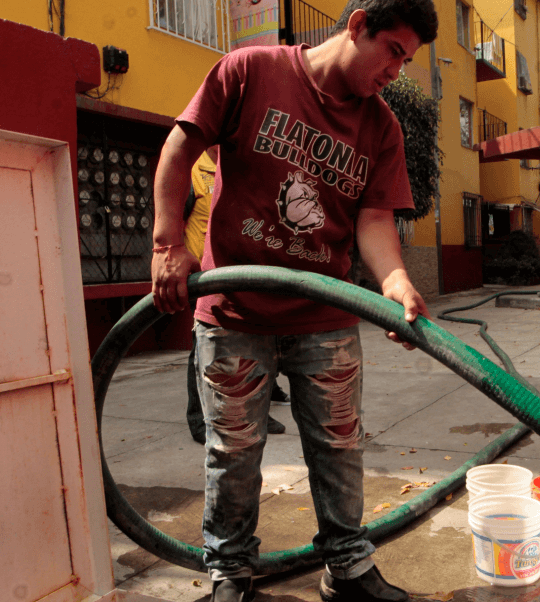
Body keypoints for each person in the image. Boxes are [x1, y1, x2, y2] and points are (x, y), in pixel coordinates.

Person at [149, 0, 438, 598]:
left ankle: (349, 568)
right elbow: (179, 148)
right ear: (358, 24)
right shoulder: (249, 70)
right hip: (233, 311)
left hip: (324, 317)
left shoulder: (381, 126)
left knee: (339, 448)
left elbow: (375, 218)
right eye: (392, 52)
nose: (395, 71)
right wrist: (166, 242)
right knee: (233, 454)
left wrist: (394, 281)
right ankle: (230, 572)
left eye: (406, 62)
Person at [182, 149, 286, 443]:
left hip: (241, 272)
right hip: (203, 277)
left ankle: (257, 413)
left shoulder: (239, 166)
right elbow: (177, 220)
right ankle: (200, 420)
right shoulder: (194, 170)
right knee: (204, 348)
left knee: (254, 345)